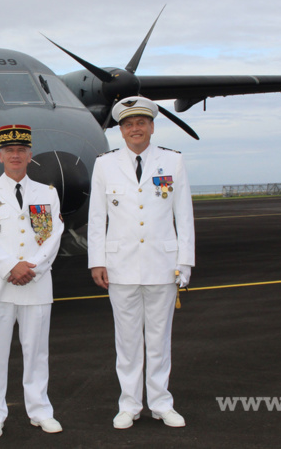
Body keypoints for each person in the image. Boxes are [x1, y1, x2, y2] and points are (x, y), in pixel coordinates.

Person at [87, 96, 195, 430]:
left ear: (151, 126)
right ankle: (129, 405)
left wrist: (185, 261)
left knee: (160, 339)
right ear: (121, 130)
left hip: (162, 264)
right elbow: (96, 217)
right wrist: (96, 261)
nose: (135, 129)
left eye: (141, 123)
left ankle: (161, 403)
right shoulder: (105, 165)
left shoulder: (172, 161)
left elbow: (184, 215)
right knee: (128, 341)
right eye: (128, 124)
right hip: (120, 266)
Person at [0, 124, 65, 438]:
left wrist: (32, 267)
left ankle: (39, 410)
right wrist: (12, 266)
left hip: (35, 283)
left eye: (21, 150)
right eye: (9, 151)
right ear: (0, 155)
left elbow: (51, 236)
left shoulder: (46, 193)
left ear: (29, 155)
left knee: (37, 352)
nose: (15, 155)